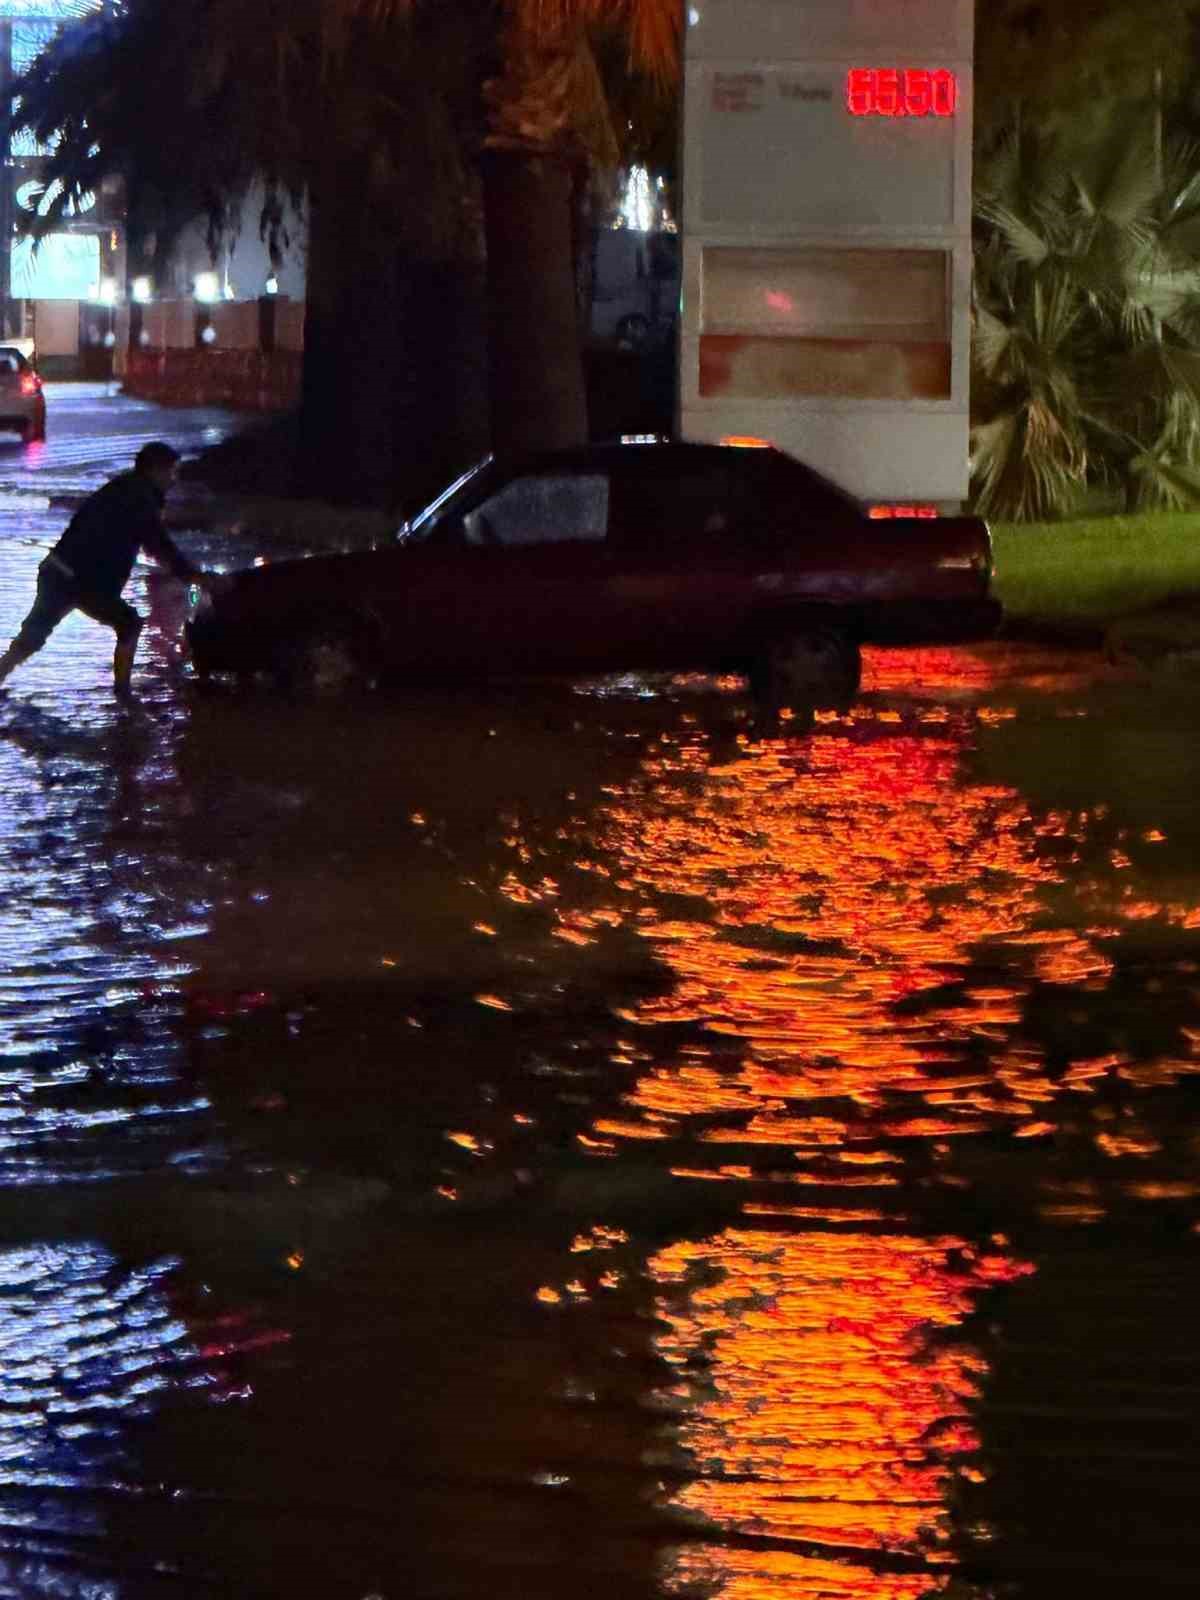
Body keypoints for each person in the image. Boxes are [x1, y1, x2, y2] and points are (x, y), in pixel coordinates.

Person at [0, 441, 222, 698]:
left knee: (32, 637)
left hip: (57, 570)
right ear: (155, 470)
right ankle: (123, 693)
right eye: (171, 472)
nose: (173, 481)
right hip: (84, 581)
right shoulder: (141, 498)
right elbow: (159, 546)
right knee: (129, 624)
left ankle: (2, 673)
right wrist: (195, 576)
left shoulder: (121, 488)